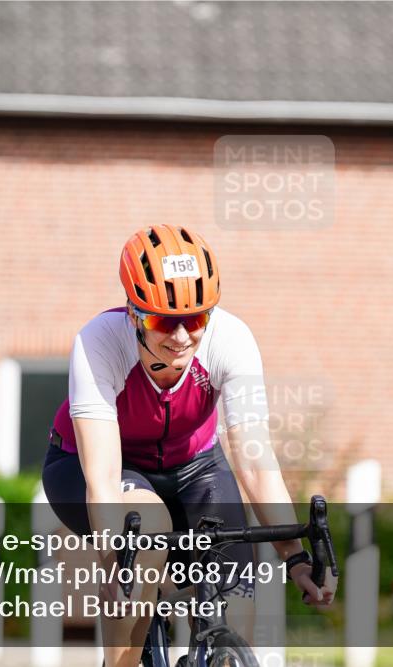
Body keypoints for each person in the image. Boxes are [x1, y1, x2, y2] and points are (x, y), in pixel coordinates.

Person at [42, 224, 336, 666]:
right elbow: (102, 478)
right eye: (163, 321)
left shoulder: (231, 340)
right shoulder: (98, 342)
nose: (180, 337)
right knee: (146, 534)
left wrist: (294, 556)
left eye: (195, 319)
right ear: (134, 314)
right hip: (94, 467)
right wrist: (111, 559)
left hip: (194, 467)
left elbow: (254, 460)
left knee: (236, 603)